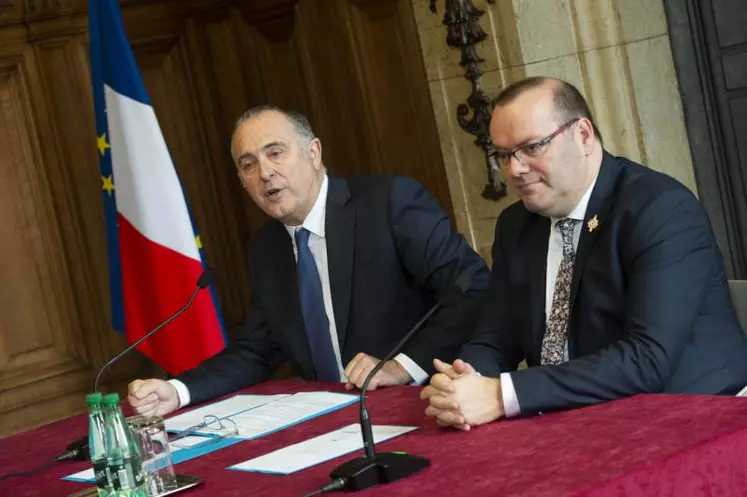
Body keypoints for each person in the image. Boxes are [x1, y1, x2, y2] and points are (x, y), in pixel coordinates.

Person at [421, 77, 747, 430]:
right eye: (503, 155)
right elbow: (496, 336)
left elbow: (647, 359)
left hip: (696, 418)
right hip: (579, 420)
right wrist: (463, 381)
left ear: (584, 136)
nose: (514, 169)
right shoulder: (516, 225)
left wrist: (502, 395)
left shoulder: (660, 209)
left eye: (532, 147)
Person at [128, 105, 489, 417]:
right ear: (241, 180)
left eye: (275, 153)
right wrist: (178, 391)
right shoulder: (266, 248)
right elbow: (257, 351)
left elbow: (472, 287)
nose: (265, 173)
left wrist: (403, 366)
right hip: (332, 422)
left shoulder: (389, 203)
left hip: (418, 404)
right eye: (249, 164)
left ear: (314, 153)